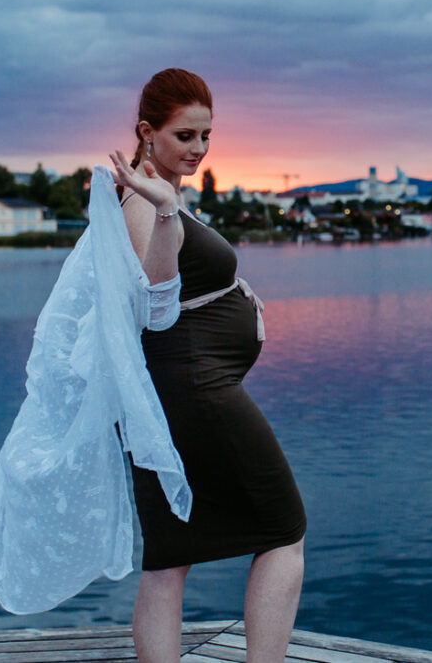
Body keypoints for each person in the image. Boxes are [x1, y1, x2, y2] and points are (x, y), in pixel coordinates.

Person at [109, 68, 306, 663]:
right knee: (283, 530)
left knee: (170, 554)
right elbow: (155, 293)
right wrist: (168, 211)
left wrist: (233, 288)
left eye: (206, 138)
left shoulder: (157, 192)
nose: (197, 150)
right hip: (193, 389)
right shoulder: (144, 196)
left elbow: (181, 280)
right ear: (147, 131)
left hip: (167, 392)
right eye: (184, 136)